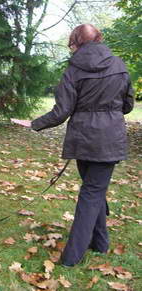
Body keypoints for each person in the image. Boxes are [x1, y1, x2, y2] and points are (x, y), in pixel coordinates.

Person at [11, 24, 134, 266]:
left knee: (91, 192)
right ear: (98, 38)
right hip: (107, 138)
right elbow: (128, 104)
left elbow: (62, 111)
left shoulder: (73, 69)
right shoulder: (118, 65)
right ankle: (99, 243)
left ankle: (72, 257)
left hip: (84, 138)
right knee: (93, 190)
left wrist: (34, 123)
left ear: (75, 41)